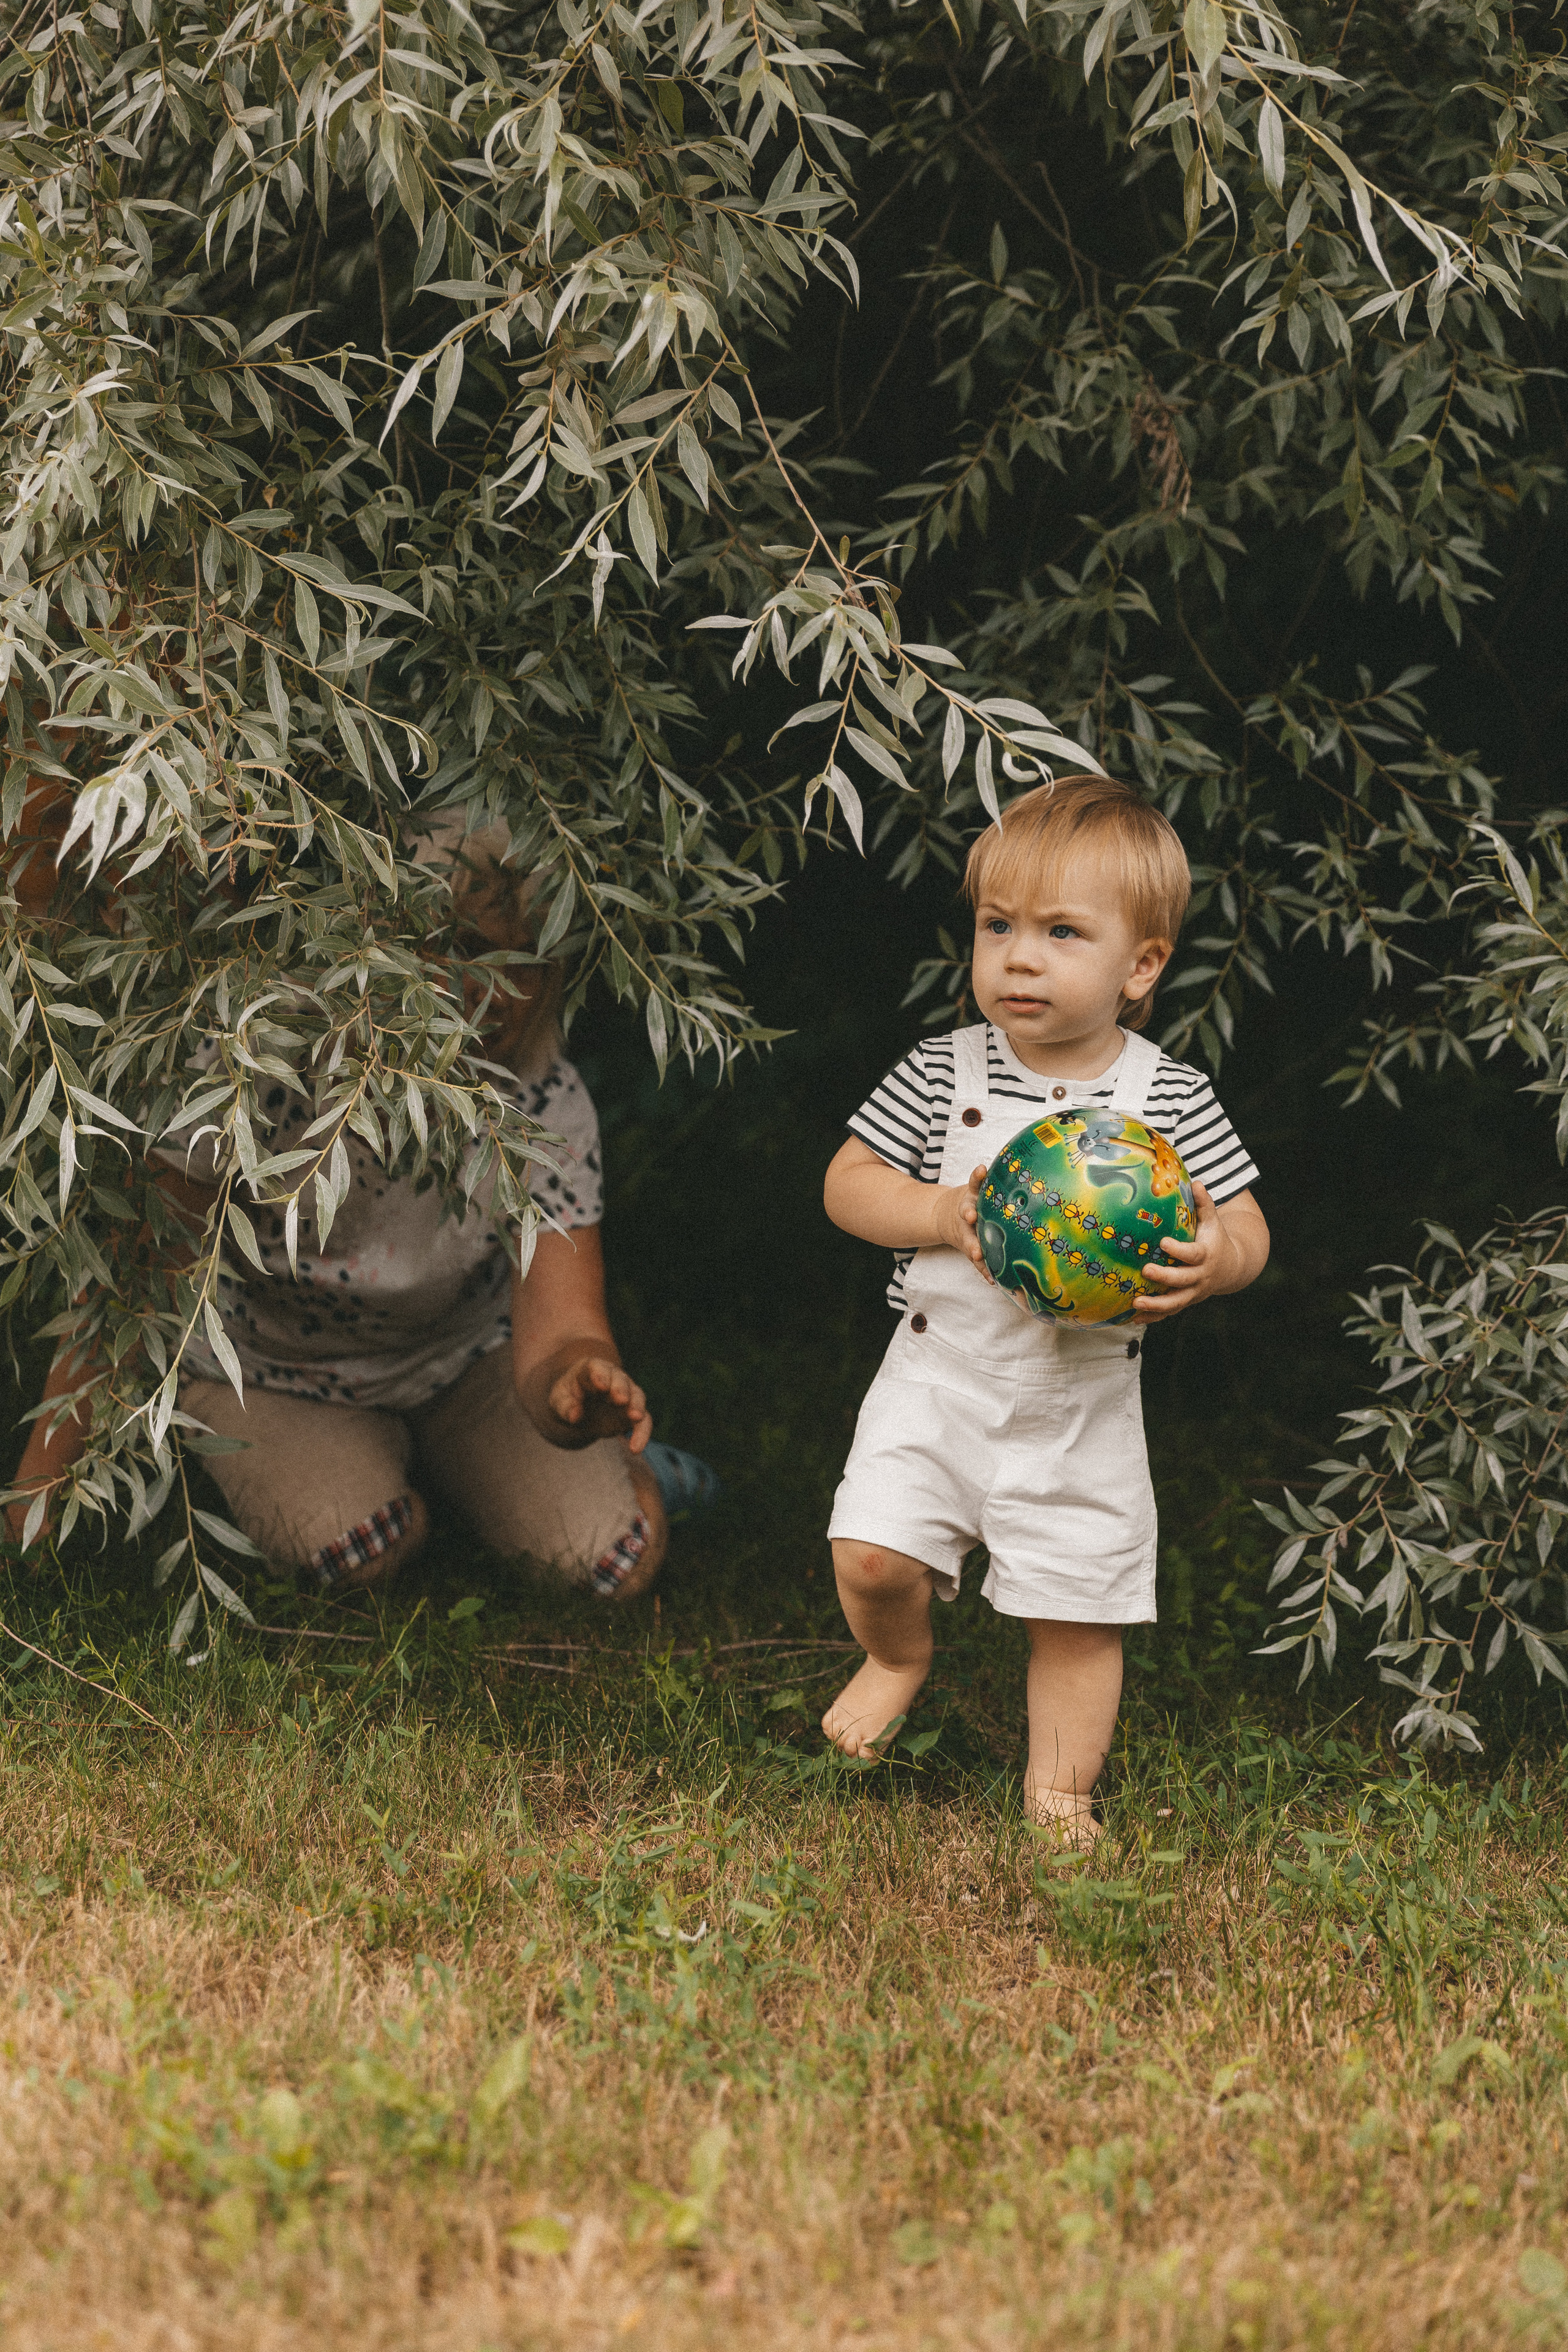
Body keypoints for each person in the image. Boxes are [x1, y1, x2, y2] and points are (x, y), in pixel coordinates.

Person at [7, 823, 715, 1599]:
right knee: (355, 1552)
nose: (497, 991)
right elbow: (134, 1290)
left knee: (609, 1563)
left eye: (527, 964)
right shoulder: (257, 1074)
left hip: (461, 1362)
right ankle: (400, 1474)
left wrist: (575, 1382)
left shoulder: (543, 1107)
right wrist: (37, 1499)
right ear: (379, 953)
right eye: (463, 951)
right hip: (269, 1370)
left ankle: (603, 1471)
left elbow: (561, 1327)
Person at [820, 776, 1269, 1844]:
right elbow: (846, 1184)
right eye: (997, 926)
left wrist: (1212, 1260)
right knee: (872, 1555)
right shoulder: (941, 1073)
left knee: (1077, 1615)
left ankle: (1060, 1795)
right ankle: (898, 1654)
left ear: (1142, 966)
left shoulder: (1169, 1100)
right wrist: (937, 1209)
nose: (1020, 957)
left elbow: (1248, 1227)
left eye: (1063, 932)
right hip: (935, 1380)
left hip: (1079, 1405)